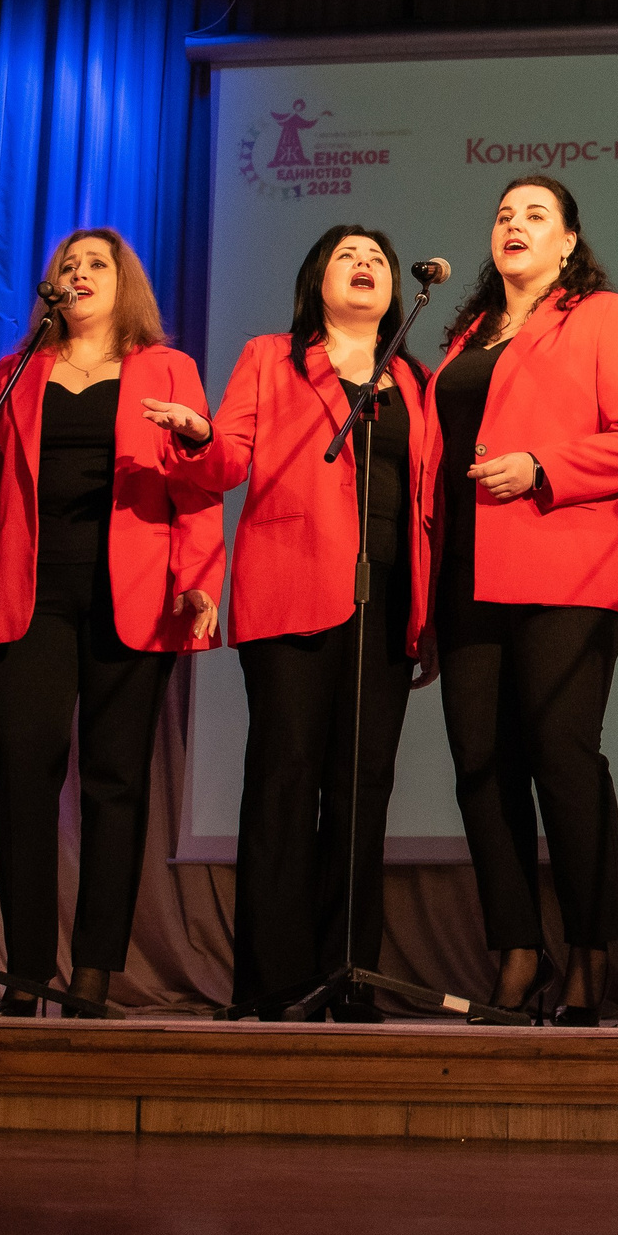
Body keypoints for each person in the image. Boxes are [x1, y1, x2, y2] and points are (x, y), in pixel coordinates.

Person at [0, 229, 223, 1017]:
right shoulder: (16, 370)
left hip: (132, 596)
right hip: (28, 592)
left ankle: (94, 969)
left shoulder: (167, 368)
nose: (80, 273)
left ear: (125, 283)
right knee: (20, 773)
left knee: (115, 781)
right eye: (69, 264)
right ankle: (26, 969)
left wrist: (199, 579)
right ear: (50, 286)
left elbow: (198, 488)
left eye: (97, 264)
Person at [149, 226, 434, 1020]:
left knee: (360, 795)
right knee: (283, 785)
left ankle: (349, 976)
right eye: (348, 255)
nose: (367, 264)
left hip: (383, 606)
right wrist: (201, 435)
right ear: (317, 281)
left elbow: (427, 505)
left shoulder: (412, 377)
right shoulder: (271, 358)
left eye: (378, 256)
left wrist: (430, 612)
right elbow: (230, 455)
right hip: (290, 594)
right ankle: (271, 986)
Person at [428, 175, 618, 1025]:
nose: (513, 225)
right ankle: (517, 953)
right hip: (464, 574)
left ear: (569, 242)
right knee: (480, 771)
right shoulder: (462, 335)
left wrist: (543, 467)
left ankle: (589, 958)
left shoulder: (603, 316)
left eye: (535, 215)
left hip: (567, 567)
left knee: (562, 760)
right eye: (502, 214)